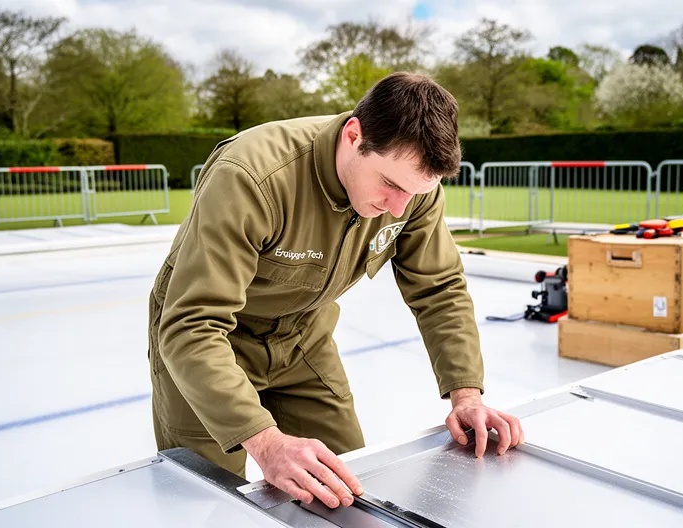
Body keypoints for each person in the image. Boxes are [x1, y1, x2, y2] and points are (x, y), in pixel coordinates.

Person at [147, 72, 523, 510]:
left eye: (417, 192)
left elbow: (439, 287)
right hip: (208, 343)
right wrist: (267, 444)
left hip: (303, 337)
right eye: (392, 185)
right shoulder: (251, 176)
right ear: (353, 135)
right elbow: (192, 322)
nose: (399, 208)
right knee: (209, 501)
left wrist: (466, 395)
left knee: (349, 487)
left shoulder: (414, 192)